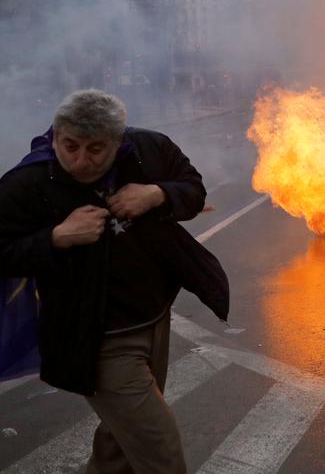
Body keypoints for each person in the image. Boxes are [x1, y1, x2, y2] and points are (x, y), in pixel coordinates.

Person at [0, 89, 228, 474]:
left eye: (95, 149)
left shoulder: (149, 150)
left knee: (120, 444)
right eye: (69, 146)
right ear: (55, 135)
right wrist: (55, 238)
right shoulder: (29, 182)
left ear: (118, 141)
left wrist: (157, 193)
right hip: (94, 337)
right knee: (158, 446)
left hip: (153, 318)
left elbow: (193, 189)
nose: (80, 161)